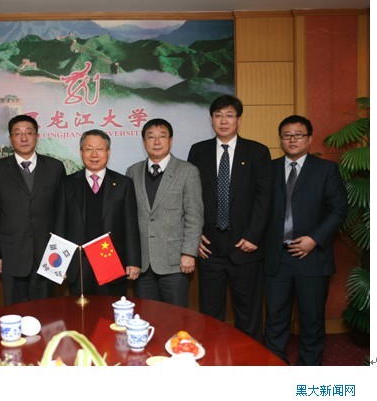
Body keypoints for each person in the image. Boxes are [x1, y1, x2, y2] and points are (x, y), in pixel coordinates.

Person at [264, 115, 347, 365]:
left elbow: (339, 210)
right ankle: (275, 365)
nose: (292, 140)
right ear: (280, 139)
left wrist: (314, 239)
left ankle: (308, 370)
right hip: (276, 256)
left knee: (312, 320)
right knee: (275, 319)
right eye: (287, 135)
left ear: (309, 139)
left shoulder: (326, 170)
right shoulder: (268, 169)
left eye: (298, 135)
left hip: (312, 257)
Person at [187, 94, 272, 341]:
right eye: (218, 116)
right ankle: (210, 358)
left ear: (239, 119)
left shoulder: (257, 152)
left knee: (249, 313)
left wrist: (253, 236)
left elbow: (264, 198)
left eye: (229, 115)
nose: (223, 121)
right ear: (211, 119)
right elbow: (191, 197)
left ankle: (249, 358)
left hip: (245, 246)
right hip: (209, 247)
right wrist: (195, 236)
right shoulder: (198, 151)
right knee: (210, 314)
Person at [0, 115, 66, 305]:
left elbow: (62, 213)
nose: (24, 138)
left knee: (45, 311)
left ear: (37, 136)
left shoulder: (55, 167)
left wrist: (61, 251)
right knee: (14, 311)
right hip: (11, 254)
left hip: (49, 254)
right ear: (10, 138)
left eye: (29, 133)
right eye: (18, 133)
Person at [126, 118, 203, 307]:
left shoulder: (187, 171)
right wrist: (131, 258)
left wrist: (189, 253)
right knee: (146, 317)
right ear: (144, 142)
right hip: (142, 264)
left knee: (176, 317)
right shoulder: (133, 172)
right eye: (151, 137)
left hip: (175, 263)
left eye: (162, 136)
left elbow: (194, 216)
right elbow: (128, 219)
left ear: (171, 140)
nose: (156, 142)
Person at [54, 129, 141, 296]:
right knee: (79, 310)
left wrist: (133, 262)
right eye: (89, 149)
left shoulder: (123, 183)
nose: (94, 154)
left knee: (111, 310)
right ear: (81, 152)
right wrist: (59, 265)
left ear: (108, 152)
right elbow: (60, 225)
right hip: (79, 263)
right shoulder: (67, 183)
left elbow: (131, 226)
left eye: (100, 149)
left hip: (111, 261)